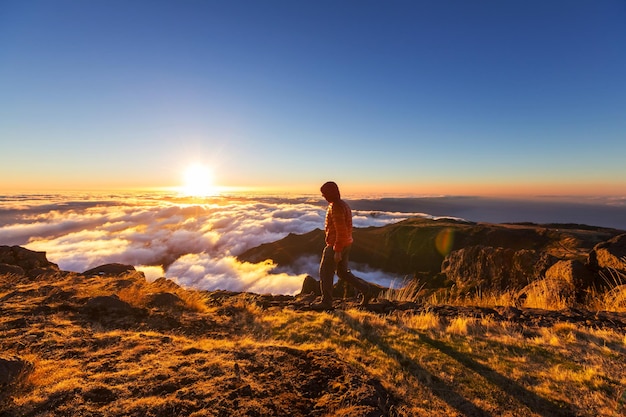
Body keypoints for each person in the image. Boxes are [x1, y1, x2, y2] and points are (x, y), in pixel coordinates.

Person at [312, 181, 375, 310]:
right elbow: (346, 228)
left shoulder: (336, 207)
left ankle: (326, 303)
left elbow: (340, 229)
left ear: (331, 193)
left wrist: (337, 250)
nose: (323, 196)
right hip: (347, 243)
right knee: (342, 273)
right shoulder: (343, 204)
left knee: (325, 273)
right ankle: (366, 290)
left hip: (336, 245)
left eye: (324, 194)